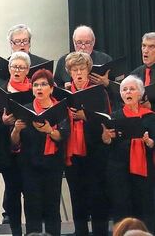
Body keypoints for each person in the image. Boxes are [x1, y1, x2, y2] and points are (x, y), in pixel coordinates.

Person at [11, 69, 69, 236]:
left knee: (52, 207)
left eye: (43, 84)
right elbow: (15, 142)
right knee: (32, 207)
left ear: (51, 88)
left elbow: (63, 136)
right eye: (35, 85)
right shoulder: (25, 109)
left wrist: (50, 130)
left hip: (53, 164)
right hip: (29, 164)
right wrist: (16, 129)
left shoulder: (60, 109)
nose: (39, 88)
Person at [63, 52, 111, 236]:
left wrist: (86, 116)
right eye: (74, 70)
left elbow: (107, 119)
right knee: (77, 197)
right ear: (69, 72)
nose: (79, 73)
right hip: (72, 153)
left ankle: (100, 233)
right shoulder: (63, 93)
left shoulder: (99, 92)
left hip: (95, 151)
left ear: (88, 70)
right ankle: (80, 232)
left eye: (82, 69)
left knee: (98, 196)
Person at [103, 76, 155, 230]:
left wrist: (149, 142)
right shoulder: (114, 117)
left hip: (145, 171)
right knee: (122, 208)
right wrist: (106, 138)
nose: (128, 92)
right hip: (120, 170)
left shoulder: (151, 116)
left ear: (140, 93)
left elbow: (153, 142)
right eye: (124, 90)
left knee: (146, 208)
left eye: (132, 89)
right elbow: (108, 144)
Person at [0, 51, 32, 236]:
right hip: (7, 149)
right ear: (8, 69)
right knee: (12, 193)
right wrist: (3, 121)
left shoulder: (35, 89)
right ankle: (15, 231)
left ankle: (32, 231)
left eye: (21, 67)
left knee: (31, 193)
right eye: (14, 66)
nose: (17, 70)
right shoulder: (0, 88)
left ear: (28, 70)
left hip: (31, 149)